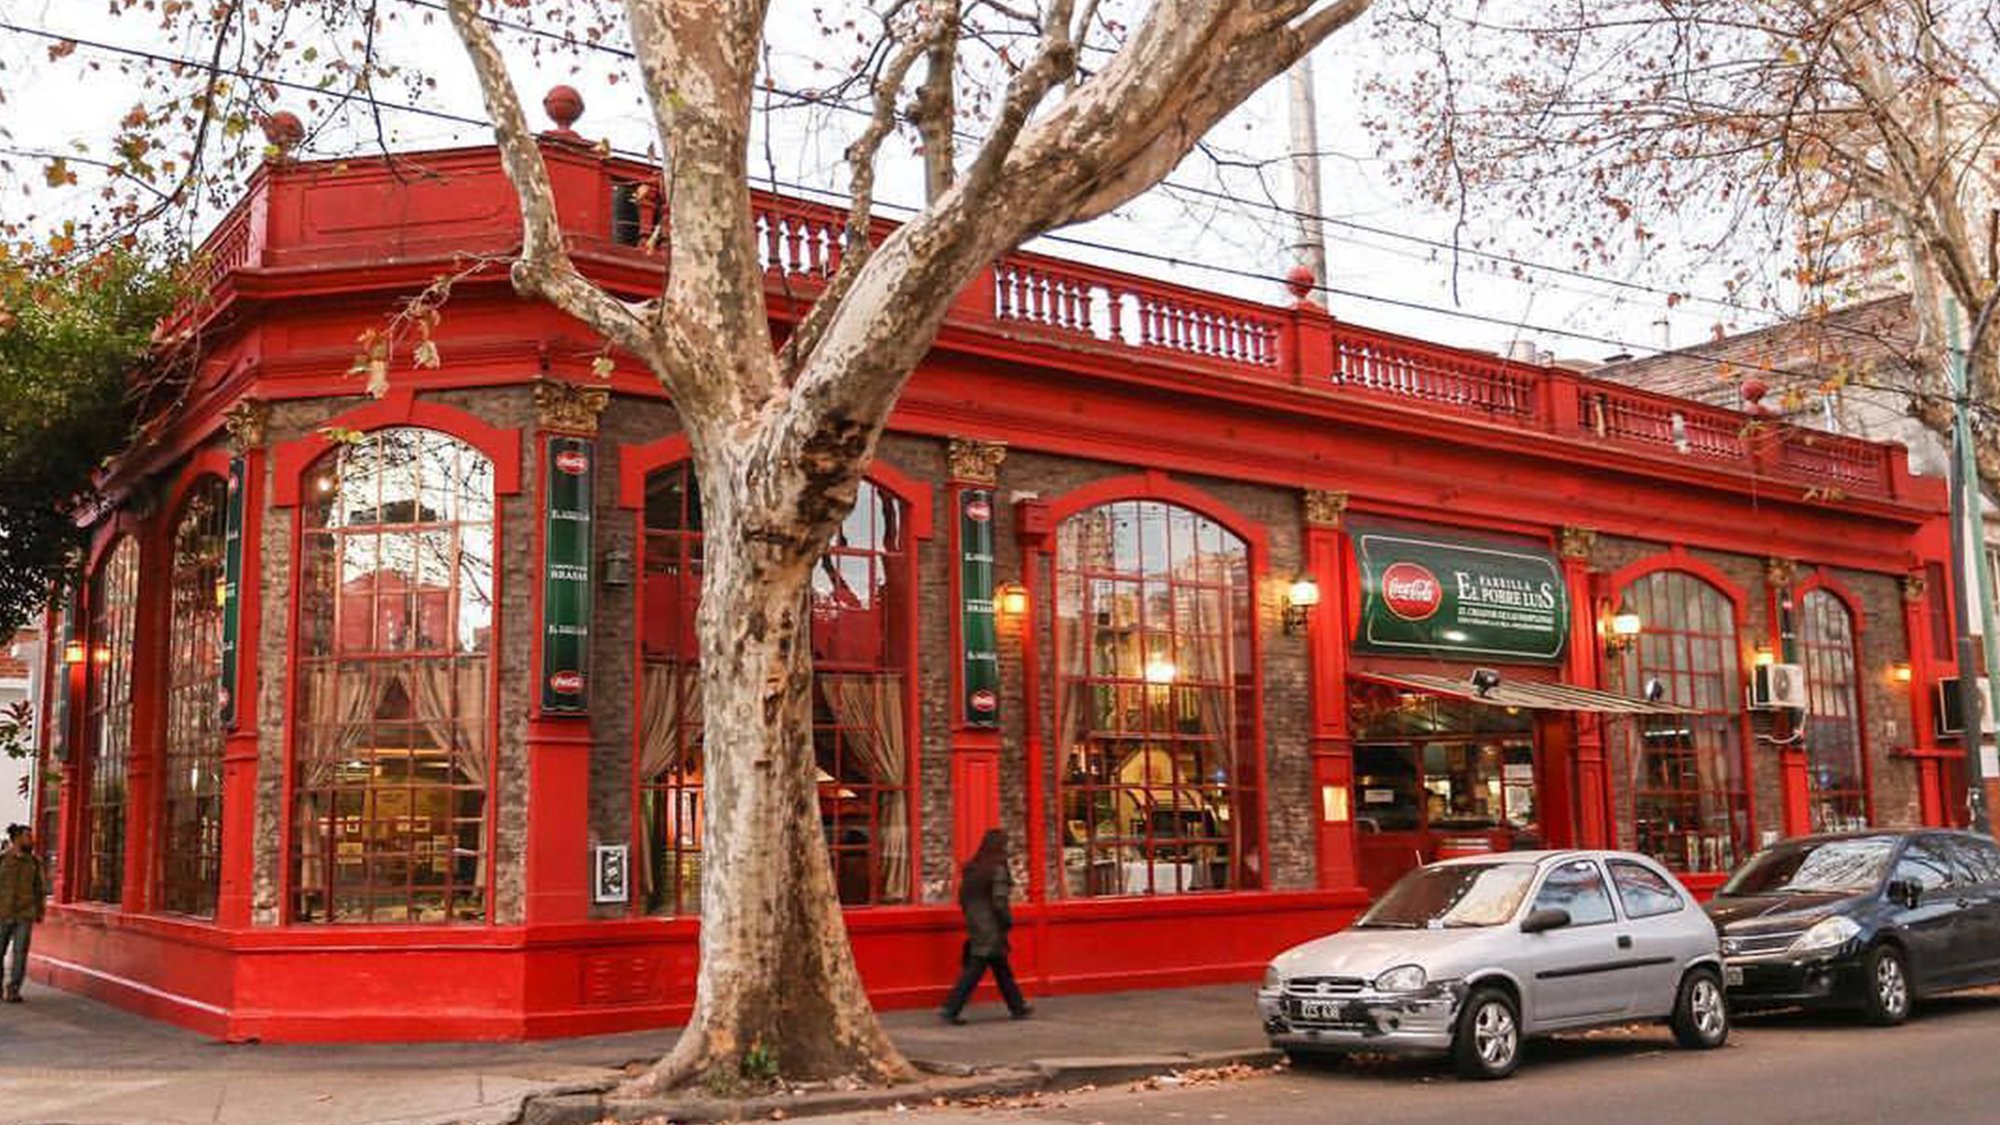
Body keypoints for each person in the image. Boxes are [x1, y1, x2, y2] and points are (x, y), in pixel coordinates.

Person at [940, 829, 1031, 1024]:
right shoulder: (997, 868)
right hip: (991, 925)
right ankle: (951, 1008)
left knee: (1000, 967)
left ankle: (1018, 1006)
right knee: (976, 969)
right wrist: (1006, 920)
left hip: (976, 923)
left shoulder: (973, 868)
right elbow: (999, 900)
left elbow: (963, 899)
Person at [0, 824, 47, 1003]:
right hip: (2, 913)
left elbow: (40, 889)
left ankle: (13, 990)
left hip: (25, 914)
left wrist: (40, 911)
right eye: (28, 836)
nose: (31, 840)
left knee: (20, 953)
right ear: (17, 838)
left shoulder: (34, 862)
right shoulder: (3, 859)